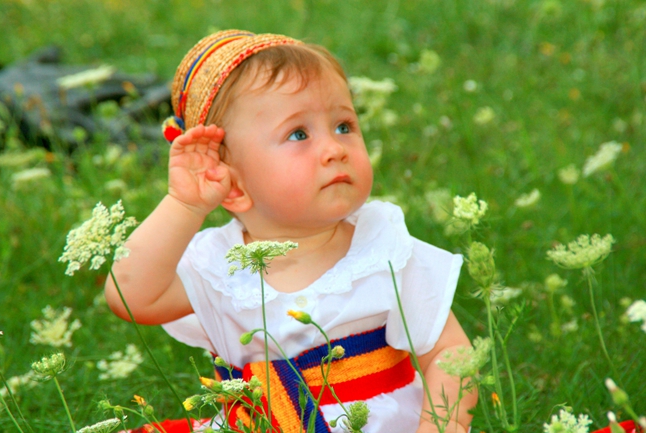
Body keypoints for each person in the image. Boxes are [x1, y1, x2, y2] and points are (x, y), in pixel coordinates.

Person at [105, 29, 476, 433]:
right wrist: (184, 204)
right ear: (233, 184)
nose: (335, 148)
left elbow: (450, 353)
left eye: (344, 126)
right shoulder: (216, 264)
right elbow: (131, 297)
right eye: (299, 134)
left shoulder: (383, 249)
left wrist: (441, 428)